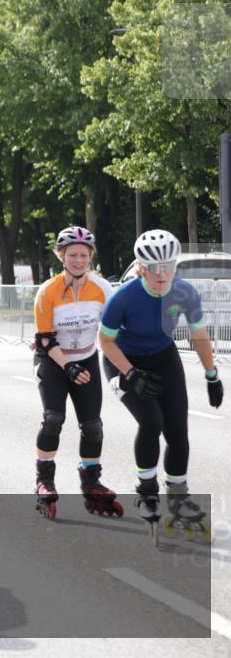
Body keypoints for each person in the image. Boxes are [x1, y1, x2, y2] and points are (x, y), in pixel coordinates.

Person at [98, 229, 223, 546]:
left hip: (163, 357)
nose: (161, 274)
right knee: (151, 422)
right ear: (140, 268)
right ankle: (147, 491)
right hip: (122, 360)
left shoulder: (185, 293)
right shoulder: (123, 297)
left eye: (168, 266)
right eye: (153, 268)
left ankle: (179, 497)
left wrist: (212, 375)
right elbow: (105, 341)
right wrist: (130, 373)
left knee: (178, 430)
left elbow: (199, 337)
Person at [31, 226, 120, 520]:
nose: (78, 260)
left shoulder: (102, 288)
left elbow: (114, 328)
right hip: (54, 361)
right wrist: (68, 366)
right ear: (62, 256)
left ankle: (91, 481)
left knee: (93, 425)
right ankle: (44, 479)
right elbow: (44, 339)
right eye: (72, 255)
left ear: (91, 256)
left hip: (87, 359)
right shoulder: (48, 291)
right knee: (54, 419)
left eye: (83, 255)